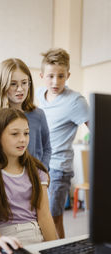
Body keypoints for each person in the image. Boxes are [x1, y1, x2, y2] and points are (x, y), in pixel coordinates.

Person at [0, 108, 57, 254]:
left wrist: (57, 248)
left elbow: (44, 214)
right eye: (15, 134)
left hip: (36, 236)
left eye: (26, 133)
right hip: (6, 239)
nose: (22, 139)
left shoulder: (37, 170)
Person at [36, 48, 89, 239]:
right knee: (38, 217)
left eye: (61, 76)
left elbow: (98, 129)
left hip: (58, 168)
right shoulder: (39, 95)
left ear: (68, 75)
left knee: (53, 217)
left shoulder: (76, 101)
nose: (55, 81)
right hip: (38, 165)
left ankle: (61, 251)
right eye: (50, 76)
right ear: (42, 75)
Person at [0, 58, 51, 170]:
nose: (20, 89)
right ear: (3, 85)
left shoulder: (39, 115)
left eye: (24, 83)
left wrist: (42, 173)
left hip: (34, 180)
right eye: (13, 84)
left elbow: (47, 148)